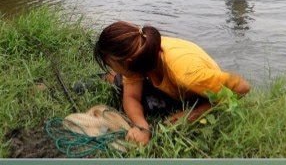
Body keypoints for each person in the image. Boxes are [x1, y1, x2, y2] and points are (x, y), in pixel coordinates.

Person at [93, 22, 251, 146]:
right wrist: (142, 126)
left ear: (127, 62)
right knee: (124, 85)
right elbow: (131, 96)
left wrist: (191, 114)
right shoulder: (139, 55)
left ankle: (111, 77)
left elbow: (242, 87)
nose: (111, 65)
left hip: (196, 89)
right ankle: (111, 78)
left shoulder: (185, 73)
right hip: (171, 83)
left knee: (151, 105)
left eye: (110, 64)